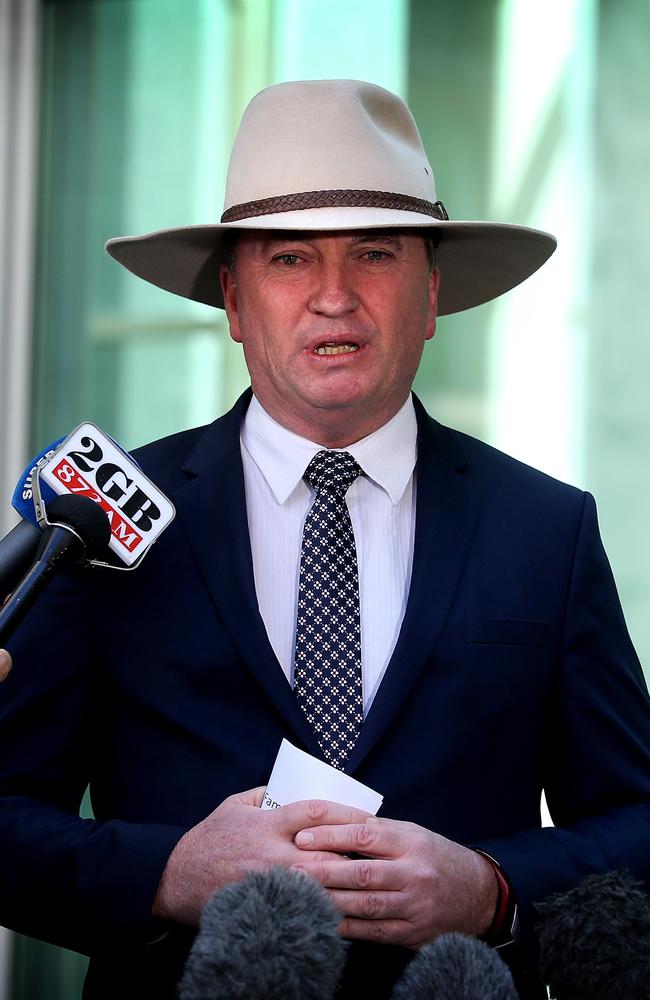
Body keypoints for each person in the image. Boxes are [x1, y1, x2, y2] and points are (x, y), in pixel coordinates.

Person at [1, 80, 649, 1000]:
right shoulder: (96, 521)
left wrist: (494, 889)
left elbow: (639, 820)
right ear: (233, 299)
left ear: (431, 295)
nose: (334, 297)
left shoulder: (546, 528)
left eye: (375, 255)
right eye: (291, 258)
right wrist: (168, 874)